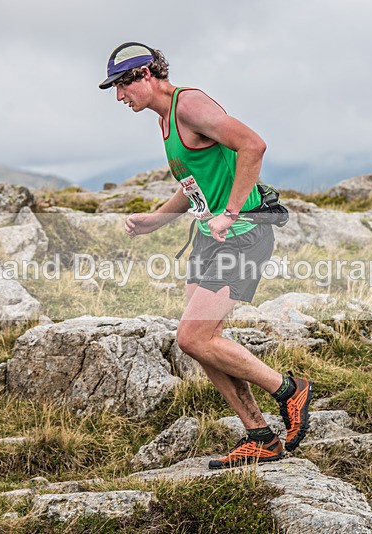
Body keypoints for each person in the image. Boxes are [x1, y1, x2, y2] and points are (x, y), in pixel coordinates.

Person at [99, 42, 313, 469]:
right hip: (208, 239)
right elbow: (194, 184)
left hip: (243, 235)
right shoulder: (165, 120)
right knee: (200, 343)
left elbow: (253, 145)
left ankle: (290, 391)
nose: (120, 98)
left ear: (145, 76)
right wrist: (157, 219)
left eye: (122, 87)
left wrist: (230, 213)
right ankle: (260, 436)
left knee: (193, 337)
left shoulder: (189, 105)